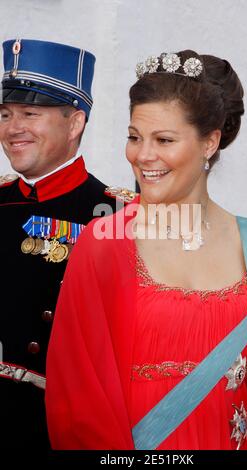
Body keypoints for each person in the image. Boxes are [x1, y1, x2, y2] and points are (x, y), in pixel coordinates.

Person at [45, 50, 247, 450]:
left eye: (164, 140)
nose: (142, 156)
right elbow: (78, 401)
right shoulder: (103, 242)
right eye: (134, 137)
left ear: (210, 142)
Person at [0, 38, 128, 450]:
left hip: (54, 428)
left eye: (30, 113)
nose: (12, 128)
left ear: (74, 124)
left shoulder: (117, 214)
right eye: (4, 114)